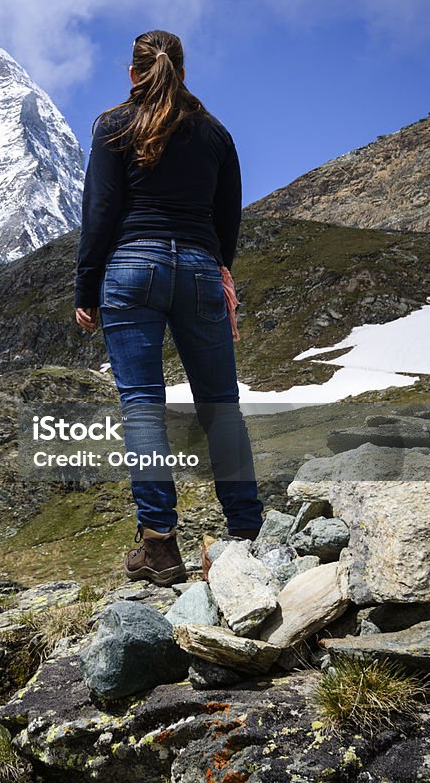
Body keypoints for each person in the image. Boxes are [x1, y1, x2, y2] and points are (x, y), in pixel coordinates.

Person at [74, 30, 264, 587]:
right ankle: (246, 536)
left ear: (133, 73)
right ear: (182, 71)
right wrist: (213, 268)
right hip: (202, 268)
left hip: (131, 268)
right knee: (220, 405)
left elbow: (100, 212)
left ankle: (159, 546)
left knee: (143, 408)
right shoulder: (215, 134)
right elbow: (227, 216)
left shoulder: (114, 126)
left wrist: (87, 289)